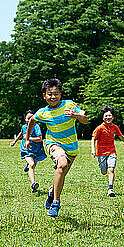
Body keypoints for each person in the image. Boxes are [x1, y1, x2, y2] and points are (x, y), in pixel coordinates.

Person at [24, 78, 88, 217]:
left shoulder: (69, 104)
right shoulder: (43, 112)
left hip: (72, 148)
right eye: (50, 94)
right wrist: (27, 138)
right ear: (44, 95)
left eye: (56, 93)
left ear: (60, 94)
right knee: (62, 164)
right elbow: (32, 121)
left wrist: (76, 115)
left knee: (62, 172)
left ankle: (52, 193)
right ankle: (56, 203)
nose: (53, 97)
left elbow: (85, 119)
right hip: (53, 143)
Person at [91, 105, 124, 197]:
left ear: (113, 117)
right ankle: (105, 168)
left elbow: (120, 136)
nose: (108, 117)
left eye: (110, 116)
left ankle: (110, 189)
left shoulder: (115, 127)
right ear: (103, 118)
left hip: (112, 152)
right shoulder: (99, 128)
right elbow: (93, 139)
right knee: (104, 172)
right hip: (101, 153)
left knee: (111, 169)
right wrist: (93, 150)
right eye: (106, 116)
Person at [10, 110, 47, 192]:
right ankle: (33, 184)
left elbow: (40, 139)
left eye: (31, 118)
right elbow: (21, 133)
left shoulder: (36, 126)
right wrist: (14, 141)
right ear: (25, 119)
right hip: (26, 149)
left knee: (32, 165)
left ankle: (28, 166)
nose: (30, 120)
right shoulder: (24, 127)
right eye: (28, 118)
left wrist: (28, 138)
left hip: (36, 149)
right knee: (32, 164)